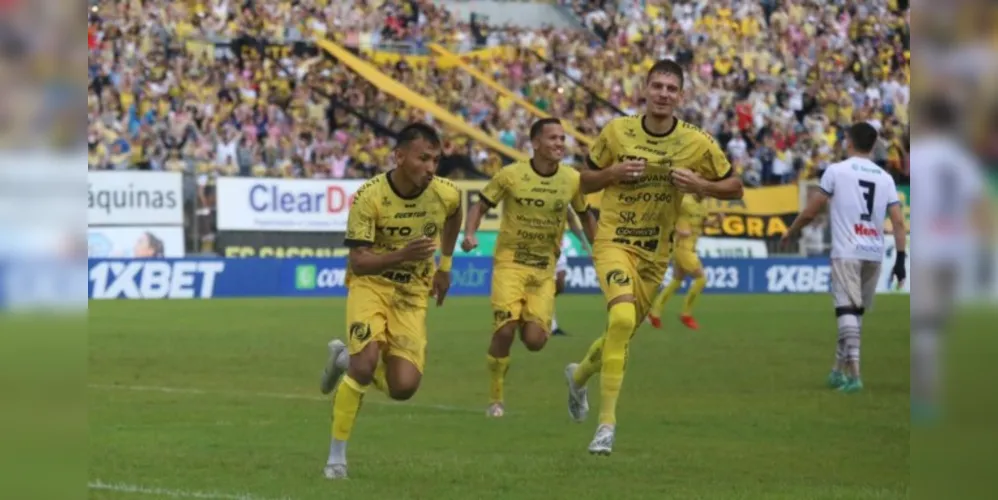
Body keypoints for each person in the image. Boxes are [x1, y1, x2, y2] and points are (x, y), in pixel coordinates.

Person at [563, 59, 744, 455]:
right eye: (657, 86)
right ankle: (606, 427)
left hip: (654, 253)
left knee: (621, 331)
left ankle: (578, 377)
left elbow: (736, 186)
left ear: (681, 96)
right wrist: (612, 174)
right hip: (613, 240)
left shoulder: (696, 142)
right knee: (623, 318)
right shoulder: (617, 131)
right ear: (644, 90)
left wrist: (701, 184)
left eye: (671, 88)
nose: (663, 94)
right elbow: (582, 180)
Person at [317, 123, 463, 479]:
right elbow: (359, 262)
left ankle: (342, 357)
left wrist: (445, 266)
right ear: (399, 157)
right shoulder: (370, 197)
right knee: (365, 366)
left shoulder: (445, 193)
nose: (431, 167)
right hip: (371, 286)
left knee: (403, 388)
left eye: (436, 160)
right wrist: (402, 255)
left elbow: (456, 214)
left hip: (412, 295)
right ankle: (336, 459)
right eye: (423, 158)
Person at [462, 117, 597, 417]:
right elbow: (479, 206)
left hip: (543, 269)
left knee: (535, 341)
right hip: (510, 264)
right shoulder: (510, 175)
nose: (560, 144)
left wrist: (599, 247)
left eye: (562, 138)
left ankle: (521, 313)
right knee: (505, 329)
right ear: (535, 143)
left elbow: (585, 216)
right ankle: (495, 399)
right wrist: (470, 233)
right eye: (553, 138)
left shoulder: (572, 179)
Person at [781, 122, 908, 394]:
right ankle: (837, 371)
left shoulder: (836, 172)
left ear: (848, 141)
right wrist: (900, 258)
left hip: (847, 251)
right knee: (854, 314)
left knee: (845, 311)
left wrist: (791, 231)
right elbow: (898, 221)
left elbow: (811, 211)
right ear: (873, 145)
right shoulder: (885, 178)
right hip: (874, 252)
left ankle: (855, 376)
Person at [906, 97, 992, 421]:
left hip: (928, 250)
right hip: (955, 252)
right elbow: (980, 204)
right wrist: (983, 252)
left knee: (924, 326)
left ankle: (925, 398)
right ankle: (932, 390)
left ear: (927, 121)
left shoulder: (921, 157)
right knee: (937, 325)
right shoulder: (962, 158)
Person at [647, 194, 721, 330]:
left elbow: (703, 223)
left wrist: (716, 220)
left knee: (677, 280)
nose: (708, 191)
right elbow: (663, 216)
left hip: (691, 247)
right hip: (682, 247)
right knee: (701, 278)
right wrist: (678, 230)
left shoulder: (703, 205)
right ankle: (686, 314)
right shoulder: (684, 201)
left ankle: (654, 313)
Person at [552, 214, 592, 336]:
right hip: (542, 246)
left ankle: (540, 310)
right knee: (547, 286)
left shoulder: (564, 197)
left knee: (560, 283)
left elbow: (571, 219)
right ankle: (551, 324)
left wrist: (582, 240)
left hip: (559, 246)